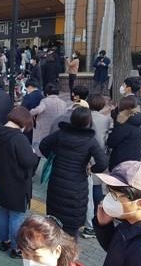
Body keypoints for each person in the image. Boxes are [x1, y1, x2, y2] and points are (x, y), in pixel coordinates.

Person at [40, 107, 108, 238]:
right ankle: (68, 255)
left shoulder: (60, 134)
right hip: (77, 187)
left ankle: (54, 252)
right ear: (88, 122)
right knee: (71, 232)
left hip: (57, 184)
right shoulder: (90, 140)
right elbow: (103, 163)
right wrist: (90, 169)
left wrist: (54, 158)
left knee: (54, 226)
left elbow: (43, 145)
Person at [0, 106, 40, 258]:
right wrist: (32, 153)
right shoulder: (19, 138)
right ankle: (16, 248)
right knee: (17, 216)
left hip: (1, 179)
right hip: (17, 182)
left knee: (4, 210)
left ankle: (4, 241)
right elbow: (28, 161)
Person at [82, 94, 112, 239]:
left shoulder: (86, 117)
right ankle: (95, 215)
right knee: (97, 186)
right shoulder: (106, 119)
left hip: (87, 154)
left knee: (90, 187)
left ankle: (89, 219)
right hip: (99, 154)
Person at [106, 95, 141, 171]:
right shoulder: (135, 118)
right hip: (135, 159)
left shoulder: (124, 124)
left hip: (121, 162)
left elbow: (111, 142)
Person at [30, 83, 67, 158]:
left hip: (45, 128)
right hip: (58, 128)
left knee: (42, 145)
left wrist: (30, 112)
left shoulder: (45, 101)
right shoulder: (63, 103)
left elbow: (38, 110)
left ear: (46, 93)